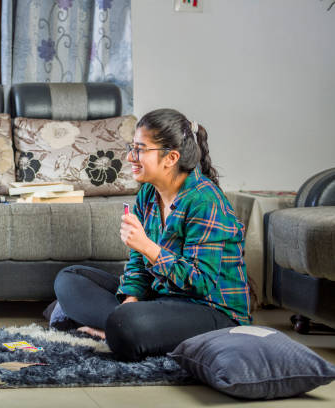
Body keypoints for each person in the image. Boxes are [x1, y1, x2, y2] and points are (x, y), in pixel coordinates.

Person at [51, 108, 251, 361]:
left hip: (210, 310)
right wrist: (131, 298)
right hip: (159, 299)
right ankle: (118, 323)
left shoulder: (204, 200)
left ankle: (112, 325)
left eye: (140, 149)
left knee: (127, 326)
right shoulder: (148, 194)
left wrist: (149, 247)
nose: (130, 157)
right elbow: (137, 264)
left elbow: (200, 282)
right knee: (69, 279)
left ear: (171, 157)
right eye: (132, 147)